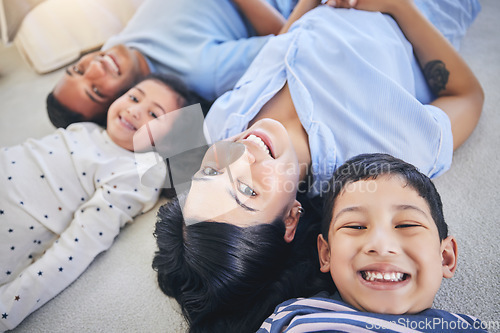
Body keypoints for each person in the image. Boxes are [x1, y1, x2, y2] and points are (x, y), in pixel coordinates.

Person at [152, 0, 483, 332]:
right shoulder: (385, 158)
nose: (238, 156)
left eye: (210, 173)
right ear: (291, 219)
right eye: (248, 191)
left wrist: (307, 6)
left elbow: (281, 49)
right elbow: (466, 96)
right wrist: (397, 6)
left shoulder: (220, 125)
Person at [0, 73, 193, 331]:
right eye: (134, 97)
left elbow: (77, 248)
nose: (135, 111)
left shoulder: (135, 173)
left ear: (167, 141)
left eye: (154, 115)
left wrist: (8, 309)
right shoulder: (89, 128)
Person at [258, 153, 488, 332]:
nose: (380, 245)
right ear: (326, 254)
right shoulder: (293, 317)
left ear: (445, 257)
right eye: (355, 226)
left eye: (406, 225)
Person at [46, 0, 299, 128]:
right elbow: (288, 40)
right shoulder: (201, 71)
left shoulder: (114, 51)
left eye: (77, 69)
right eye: (96, 90)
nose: (95, 68)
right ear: (119, 102)